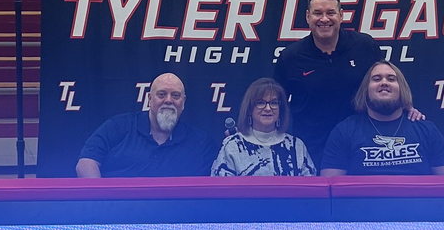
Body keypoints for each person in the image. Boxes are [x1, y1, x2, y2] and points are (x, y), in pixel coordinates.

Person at [273, 0, 422, 169]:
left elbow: (386, 81)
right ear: (307, 17)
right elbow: (275, 101)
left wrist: (407, 106)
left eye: (331, 13)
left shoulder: (364, 46)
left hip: (362, 145)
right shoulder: (291, 56)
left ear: (341, 16)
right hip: (312, 147)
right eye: (317, 13)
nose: (324, 19)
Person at [321, 61, 444, 176]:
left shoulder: (427, 130)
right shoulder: (344, 131)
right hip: (363, 207)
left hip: (418, 206)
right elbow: (330, 192)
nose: (384, 83)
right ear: (366, 90)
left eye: (391, 79)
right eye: (376, 79)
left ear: (401, 89)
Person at [76, 72, 216, 178]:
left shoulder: (201, 142)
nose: (168, 100)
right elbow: (86, 163)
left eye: (175, 95)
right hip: (119, 213)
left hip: (178, 215)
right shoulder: (117, 126)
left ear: (183, 101)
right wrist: (101, 204)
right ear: (149, 99)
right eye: (161, 94)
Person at [211, 78, 316, 176]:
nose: (268, 108)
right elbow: (220, 190)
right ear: (249, 108)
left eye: (274, 103)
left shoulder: (296, 146)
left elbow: (311, 189)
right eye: (260, 103)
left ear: (281, 109)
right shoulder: (232, 146)